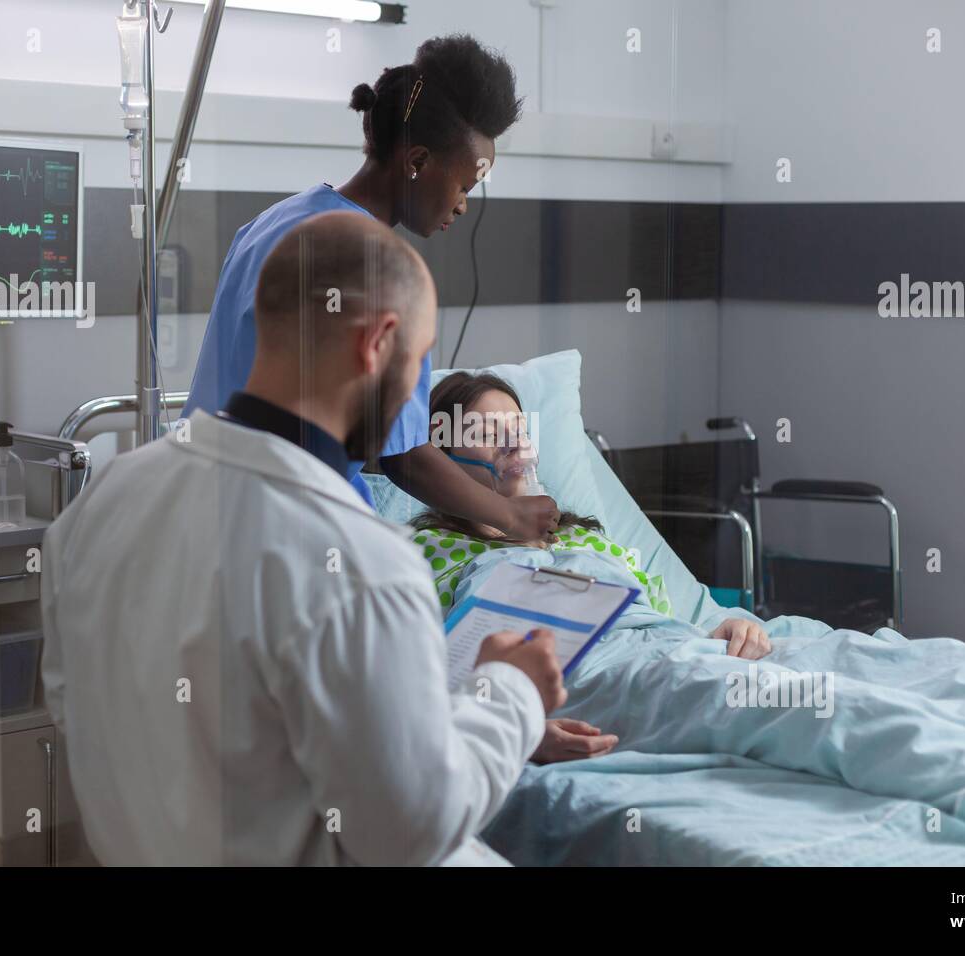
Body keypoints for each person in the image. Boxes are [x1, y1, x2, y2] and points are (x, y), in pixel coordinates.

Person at [41, 212, 566, 866]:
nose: (417, 398)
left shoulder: (101, 505)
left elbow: (80, 706)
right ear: (378, 343)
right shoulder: (359, 560)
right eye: (421, 361)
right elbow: (413, 830)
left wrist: (450, 715)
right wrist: (509, 695)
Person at [183, 34, 558, 545]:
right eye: (464, 187)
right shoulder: (383, 273)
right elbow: (405, 457)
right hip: (297, 531)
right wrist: (512, 516)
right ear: (418, 161)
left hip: (198, 502)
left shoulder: (269, 225)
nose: (463, 206)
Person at [410, 372, 773, 764]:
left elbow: (662, 617)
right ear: (441, 462)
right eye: (487, 433)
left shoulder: (583, 537)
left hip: (678, 650)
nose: (514, 444)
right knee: (778, 703)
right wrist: (514, 724)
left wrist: (727, 627)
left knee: (837, 657)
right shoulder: (428, 553)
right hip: (603, 679)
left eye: (519, 429)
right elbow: (417, 677)